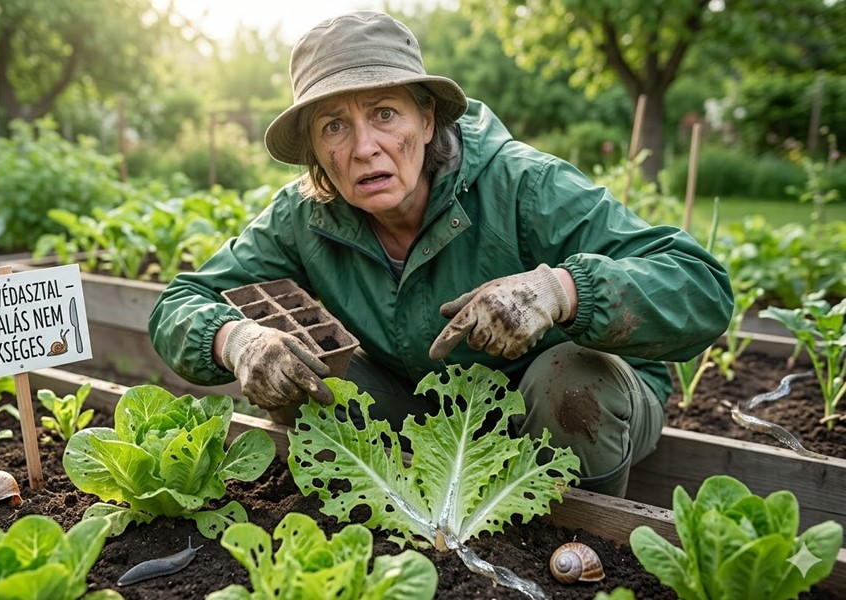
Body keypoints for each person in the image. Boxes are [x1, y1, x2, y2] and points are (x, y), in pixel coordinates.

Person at [148, 10, 734, 497]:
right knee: (307, 375)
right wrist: (237, 340)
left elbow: (700, 286)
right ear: (314, 151)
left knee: (569, 385)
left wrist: (560, 291)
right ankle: (388, 525)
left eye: (384, 113)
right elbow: (180, 302)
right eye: (334, 126)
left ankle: (578, 543)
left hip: (567, 406)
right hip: (422, 406)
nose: (364, 147)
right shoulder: (303, 214)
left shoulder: (523, 186)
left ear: (427, 120)